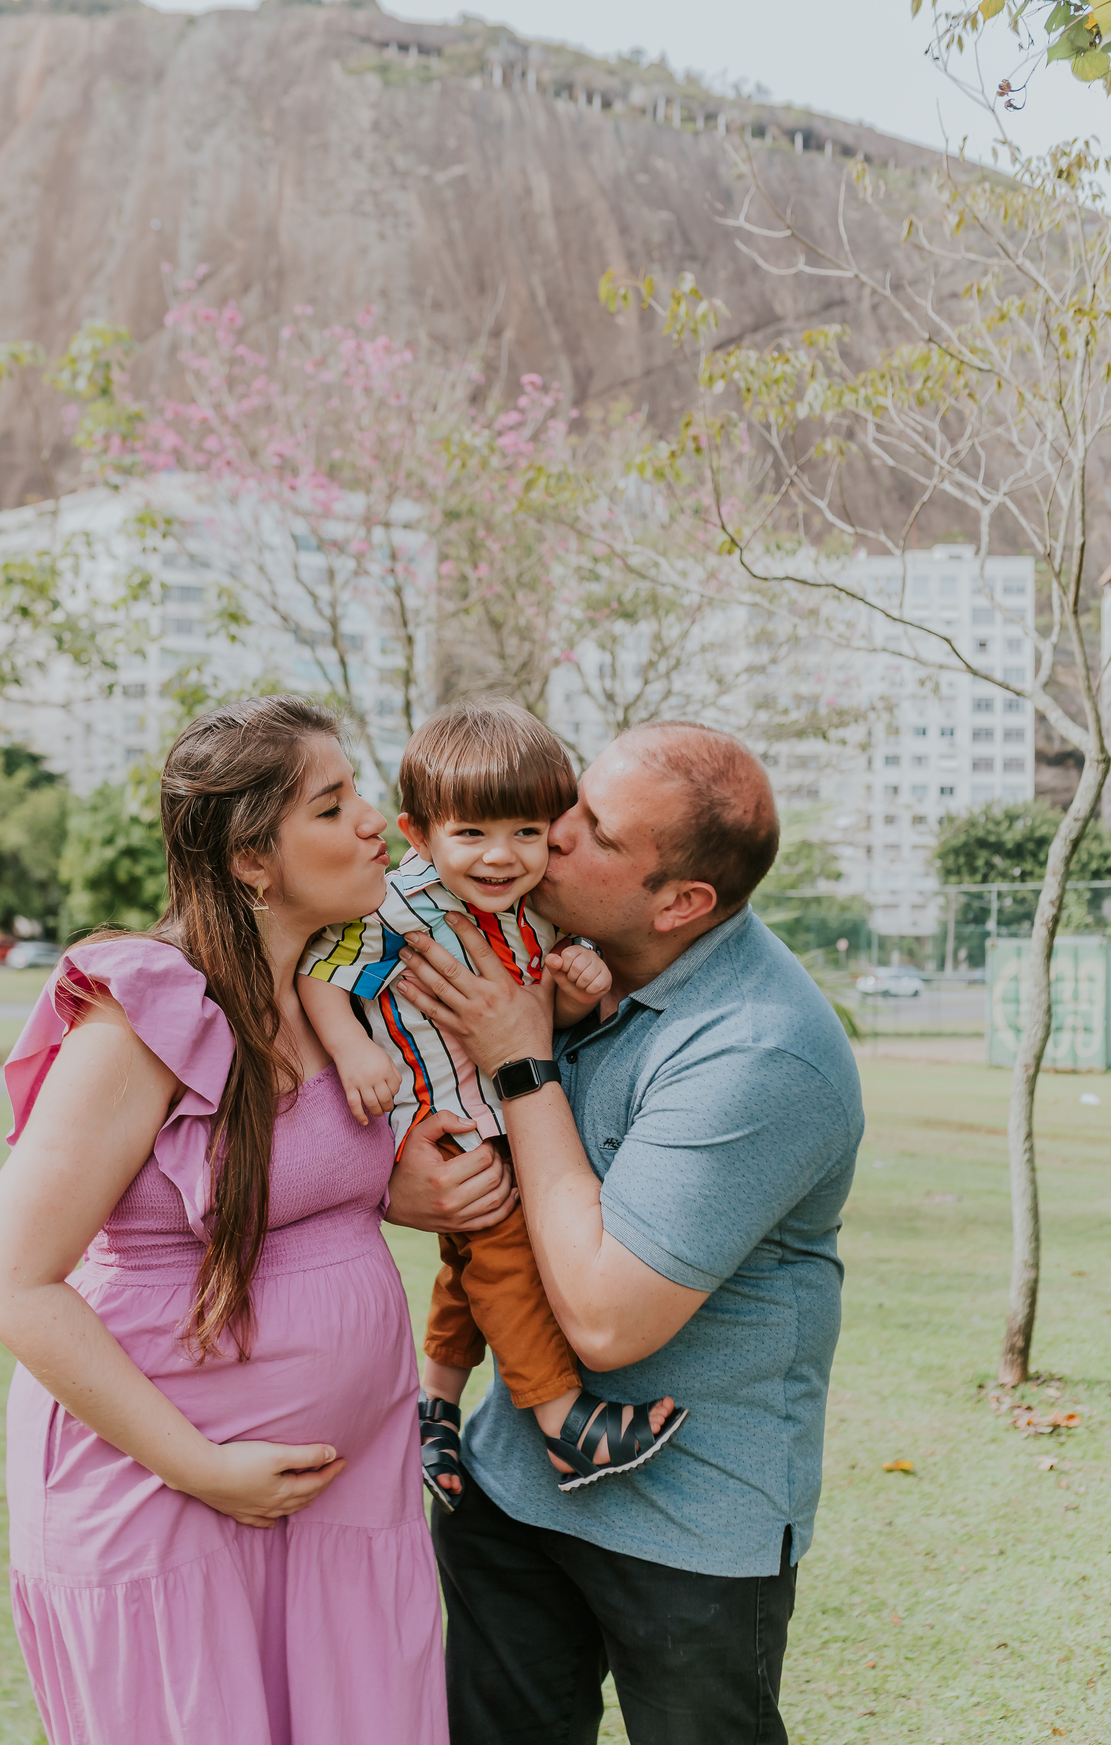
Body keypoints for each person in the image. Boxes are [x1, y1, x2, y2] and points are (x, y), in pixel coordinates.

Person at [0, 695, 512, 1745]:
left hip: (344, 1513)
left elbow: (266, 1191)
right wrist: (197, 1464)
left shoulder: (324, 992)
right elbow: (9, 1275)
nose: (373, 822)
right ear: (252, 858)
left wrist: (398, 1191)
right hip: (166, 1495)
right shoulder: (142, 1016)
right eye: (332, 804)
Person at [394, 721, 866, 1745]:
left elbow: (608, 1319)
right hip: (510, 1489)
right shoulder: (563, 961)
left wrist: (524, 1064)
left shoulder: (758, 1049)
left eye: (590, 828)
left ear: (682, 902)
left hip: (689, 1524)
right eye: (573, 801)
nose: (549, 835)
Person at [297, 701, 685, 1507]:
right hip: (435, 1116)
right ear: (419, 834)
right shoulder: (396, 909)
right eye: (472, 834)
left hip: (502, 1110)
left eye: (526, 832)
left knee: (472, 1262)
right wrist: (351, 1047)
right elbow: (319, 974)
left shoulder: (537, 911)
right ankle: (563, 1421)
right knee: (507, 1252)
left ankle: (434, 1403)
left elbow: (534, 1019)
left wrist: (578, 990)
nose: (501, 856)